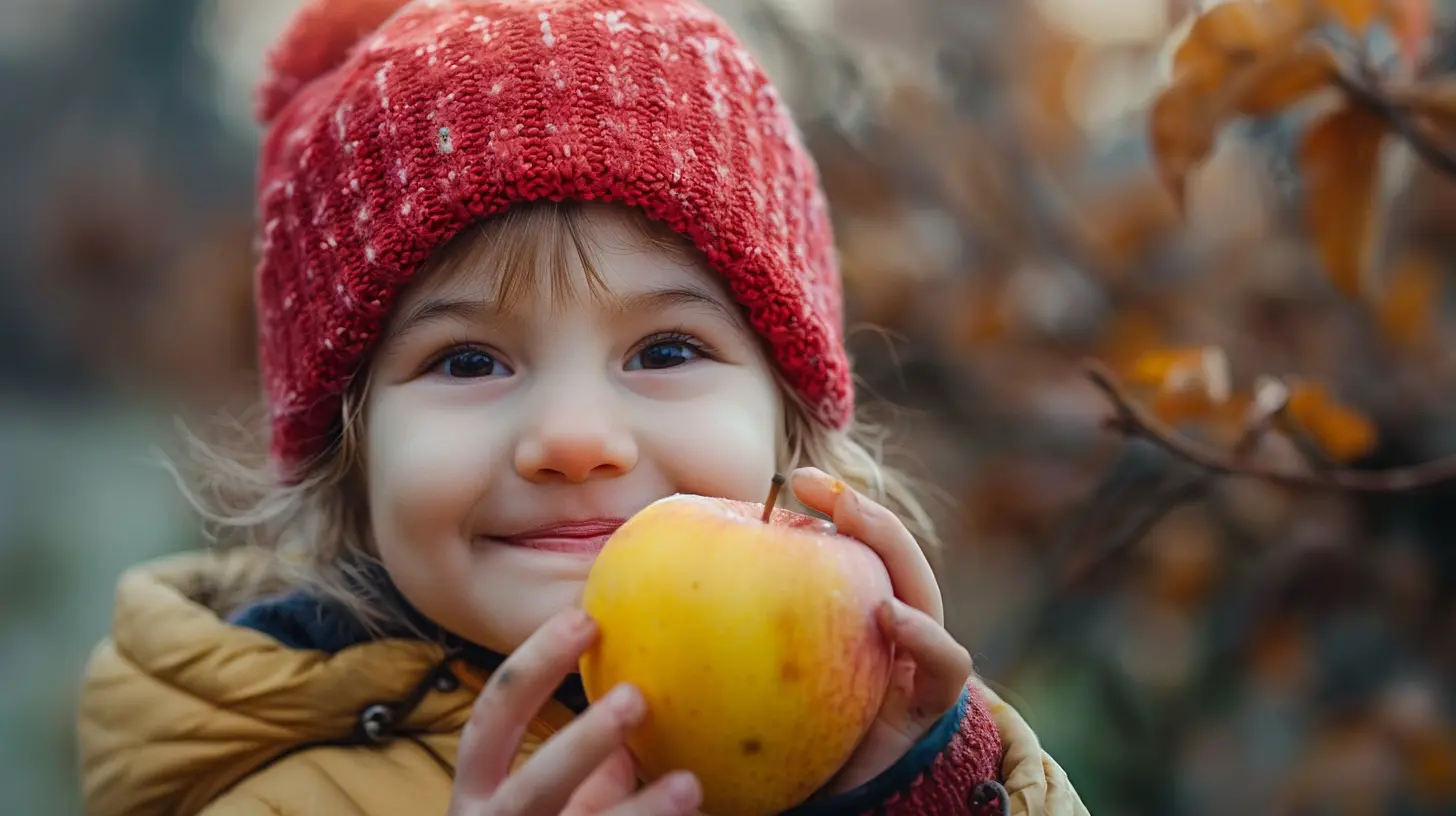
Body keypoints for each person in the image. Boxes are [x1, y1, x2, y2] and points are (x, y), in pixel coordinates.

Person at [76, 0, 1089, 814]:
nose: (573, 440)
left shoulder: (916, 748)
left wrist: (912, 794)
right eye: (468, 361)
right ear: (353, 446)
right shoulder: (283, 801)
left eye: (663, 349)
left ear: (788, 423)